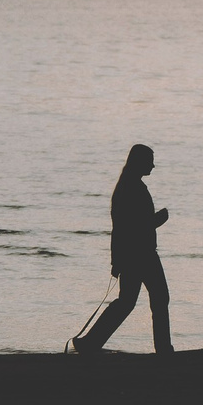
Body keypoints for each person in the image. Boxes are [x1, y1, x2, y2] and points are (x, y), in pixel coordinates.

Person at [71, 143, 171, 352]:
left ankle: (91, 342)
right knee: (156, 299)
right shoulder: (132, 187)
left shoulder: (127, 185)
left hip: (131, 255)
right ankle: (162, 349)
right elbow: (133, 225)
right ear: (139, 162)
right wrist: (158, 219)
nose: (153, 166)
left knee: (128, 302)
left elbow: (122, 227)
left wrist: (117, 259)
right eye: (149, 161)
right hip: (141, 254)